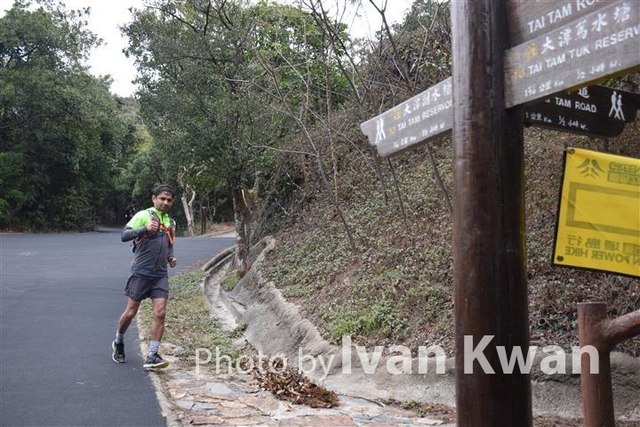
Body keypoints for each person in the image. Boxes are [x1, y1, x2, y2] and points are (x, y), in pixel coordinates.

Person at [112, 184, 178, 369]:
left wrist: (171, 257)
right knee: (131, 312)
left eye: (169, 200)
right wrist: (144, 229)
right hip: (141, 272)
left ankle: (152, 355)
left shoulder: (171, 222)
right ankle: (118, 341)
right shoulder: (143, 215)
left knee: (160, 312)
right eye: (162, 199)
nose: (165, 202)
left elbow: (170, 243)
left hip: (160, 274)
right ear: (154, 198)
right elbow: (124, 235)